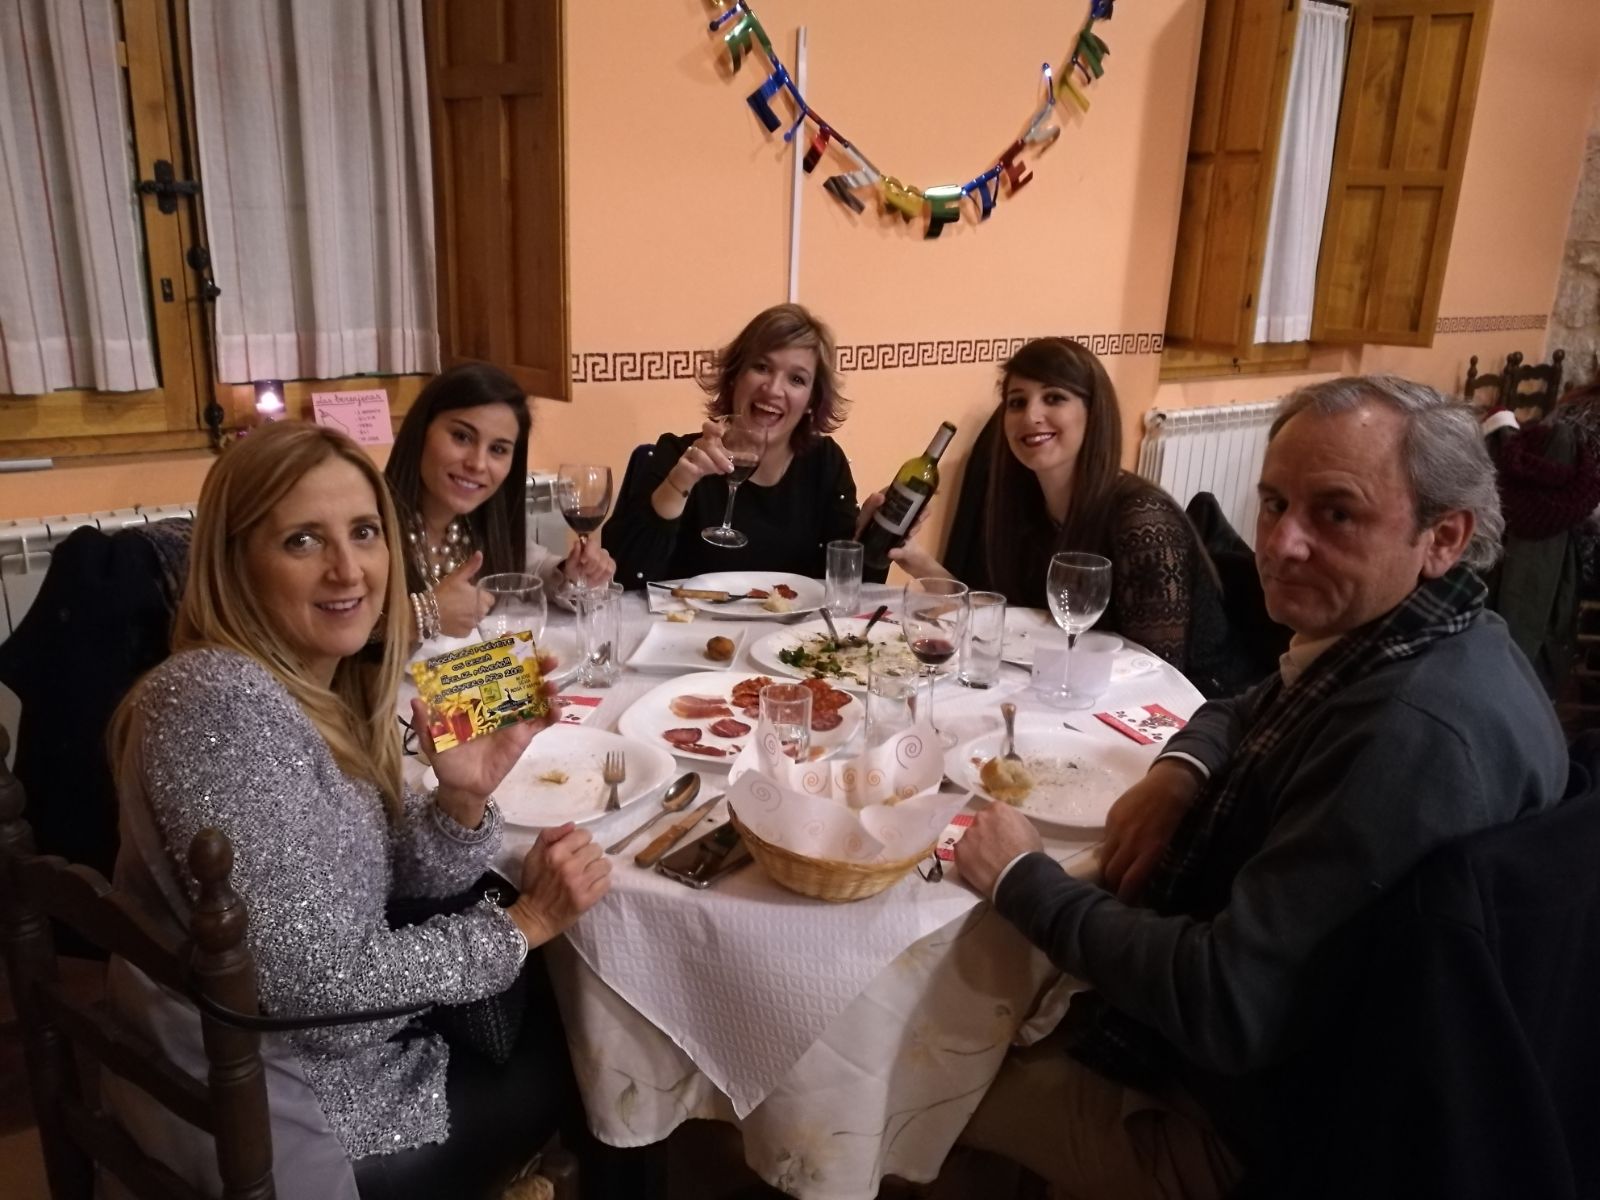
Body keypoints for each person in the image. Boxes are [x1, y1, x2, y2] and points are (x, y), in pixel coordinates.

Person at [952, 375, 1570, 1198]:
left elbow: (1226, 1003)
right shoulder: (1441, 635)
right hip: (1355, 1072)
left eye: (1337, 513)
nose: (1280, 544)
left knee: (940, 1071)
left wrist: (1021, 880)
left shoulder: (1405, 741)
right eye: (1275, 504)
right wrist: (1181, 770)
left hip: (1264, 1140)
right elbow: (1250, 701)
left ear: (1443, 536)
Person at [104, 421, 612, 1198]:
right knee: (587, 1050)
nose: (348, 569)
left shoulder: (307, 684)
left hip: (293, 1048)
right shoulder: (218, 702)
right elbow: (321, 991)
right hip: (281, 1105)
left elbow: (363, 880)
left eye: (364, 532)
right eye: (303, 540)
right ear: (236, 563)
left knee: (557, 1004)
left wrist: (461, 799)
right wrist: (525, 924)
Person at [892, 337, 1226, 680]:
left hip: (1187, 702)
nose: (1031, 416)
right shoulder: (1022, 503)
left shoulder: (1142, 518)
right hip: (1068, 682)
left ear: (1093, 412)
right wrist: (916, 560)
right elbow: (1001, 618)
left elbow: (1156, 670)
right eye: (1017, 402)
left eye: (1054, 398)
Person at [602, 303, 883, 585]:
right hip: (690, 616)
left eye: (796, 379)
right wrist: (679, 483)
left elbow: (848, 588)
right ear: (734, 376)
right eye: (761, 367)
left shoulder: (825, 463)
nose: (773, 389)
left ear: (812, 400)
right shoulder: (677, 455)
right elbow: (625, 579)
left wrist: (875, 542)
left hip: (796, 617)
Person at [386, 362, 614, 639]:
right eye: (462, 437)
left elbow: (533, 567)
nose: (478, 464)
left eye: (497, 449)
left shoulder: (480, 522)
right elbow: (336, 632)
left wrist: (571, 572)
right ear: (421, 430)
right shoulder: (367, 523)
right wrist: (422, 615)